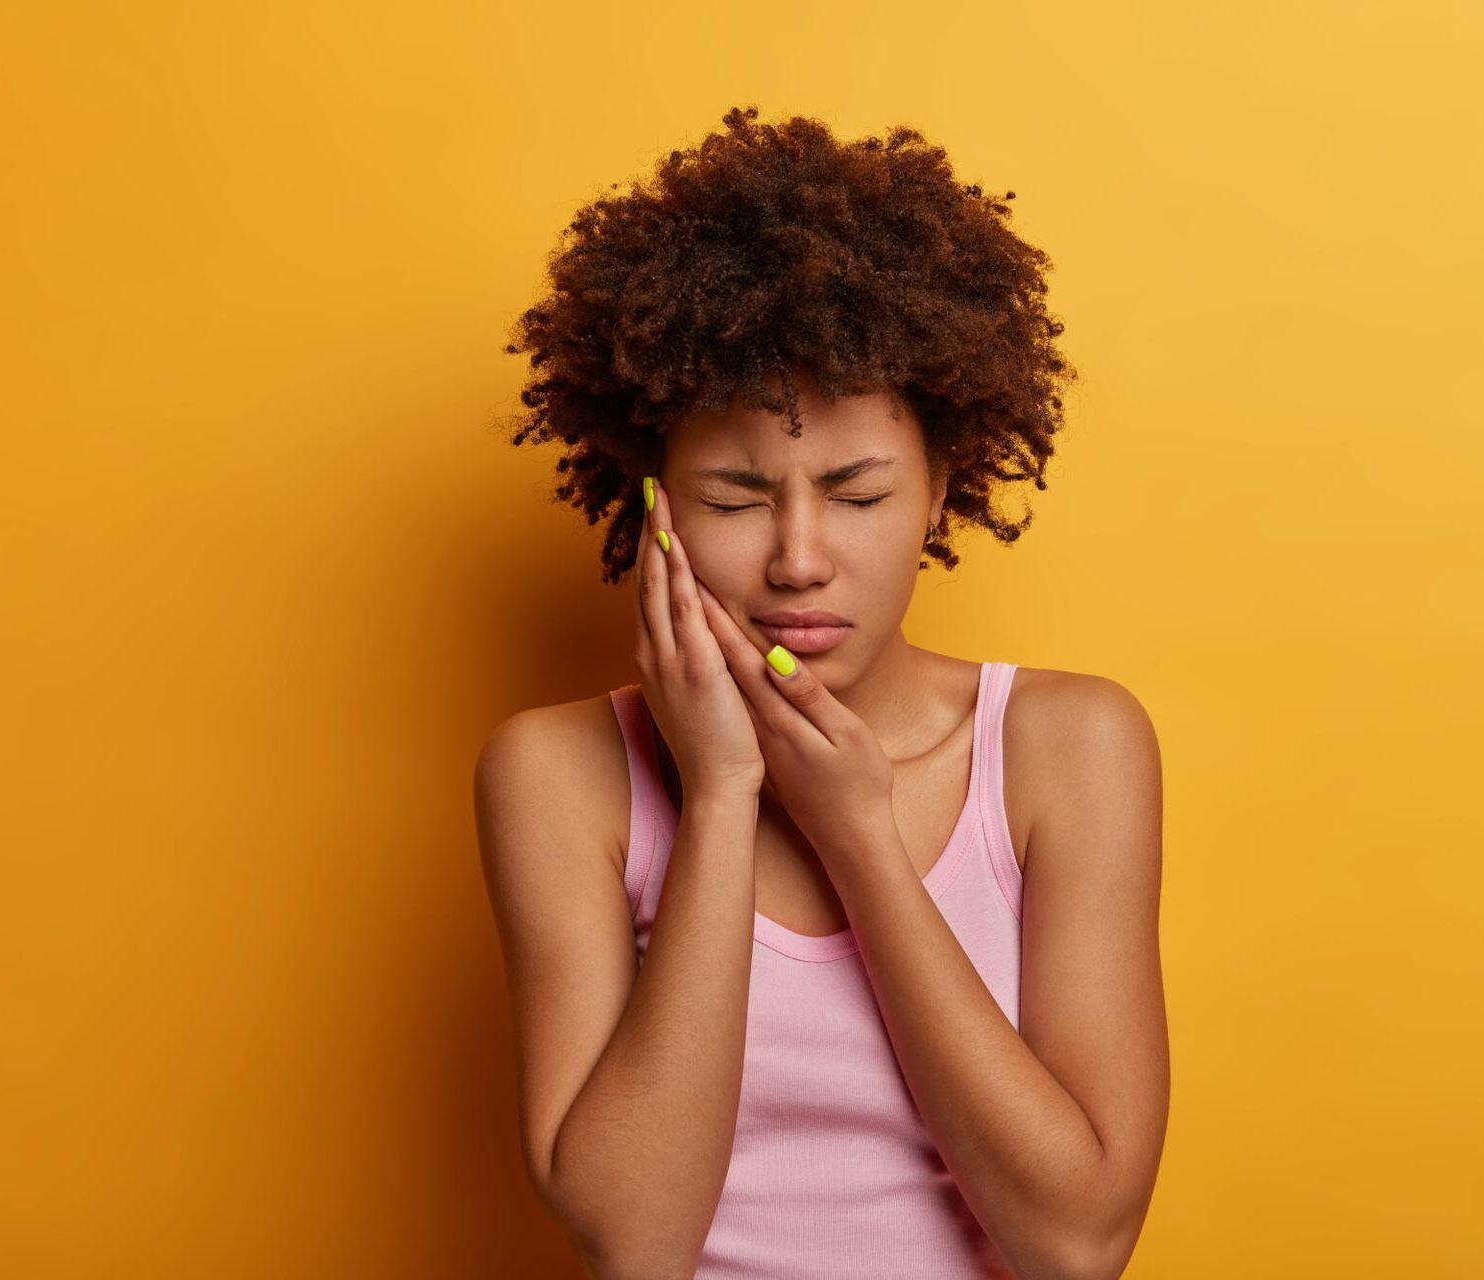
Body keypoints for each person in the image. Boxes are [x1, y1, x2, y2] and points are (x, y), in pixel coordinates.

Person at [474, 105, 1168, 1279]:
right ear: (655, 507)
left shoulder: (1067, 747)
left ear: (941, 492)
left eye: (857, 494)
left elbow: (1078, 1243)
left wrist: (858, 834)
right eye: (737, 498)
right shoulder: (558, 775)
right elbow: (636, 1244)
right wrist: (724, 792)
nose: (798, 557)